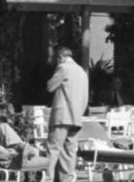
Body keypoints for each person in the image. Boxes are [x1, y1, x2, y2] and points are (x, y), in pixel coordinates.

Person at [44, 46, 90, 182]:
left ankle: (48, 178)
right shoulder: (82, 71)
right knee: (69, 152)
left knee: (53, 149)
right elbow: (85, 97)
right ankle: (67, 179)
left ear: (60, 57)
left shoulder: (63, 68)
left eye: (56, 59)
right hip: (76, 117)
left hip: (62, 116)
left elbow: (50, 86)